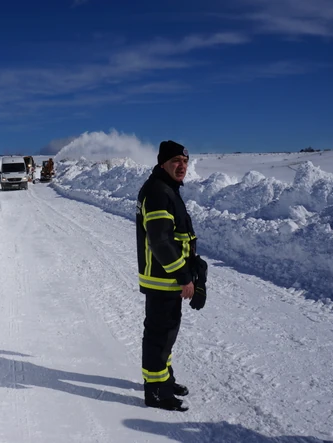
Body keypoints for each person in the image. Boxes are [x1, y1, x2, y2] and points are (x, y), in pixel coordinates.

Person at [135, 140, 208, 412]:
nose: (182, 166)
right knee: (158, 336)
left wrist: (194, 268)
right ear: (162, 163)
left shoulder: (167, 189)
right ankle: (155, 392)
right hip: (163, 279)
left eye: (185, 161)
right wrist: (183, 276)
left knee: (166, 335)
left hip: (168, 278)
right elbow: (160, 241)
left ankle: (164, 379)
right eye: (176, 161)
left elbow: (178, 236)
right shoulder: (157, 192)